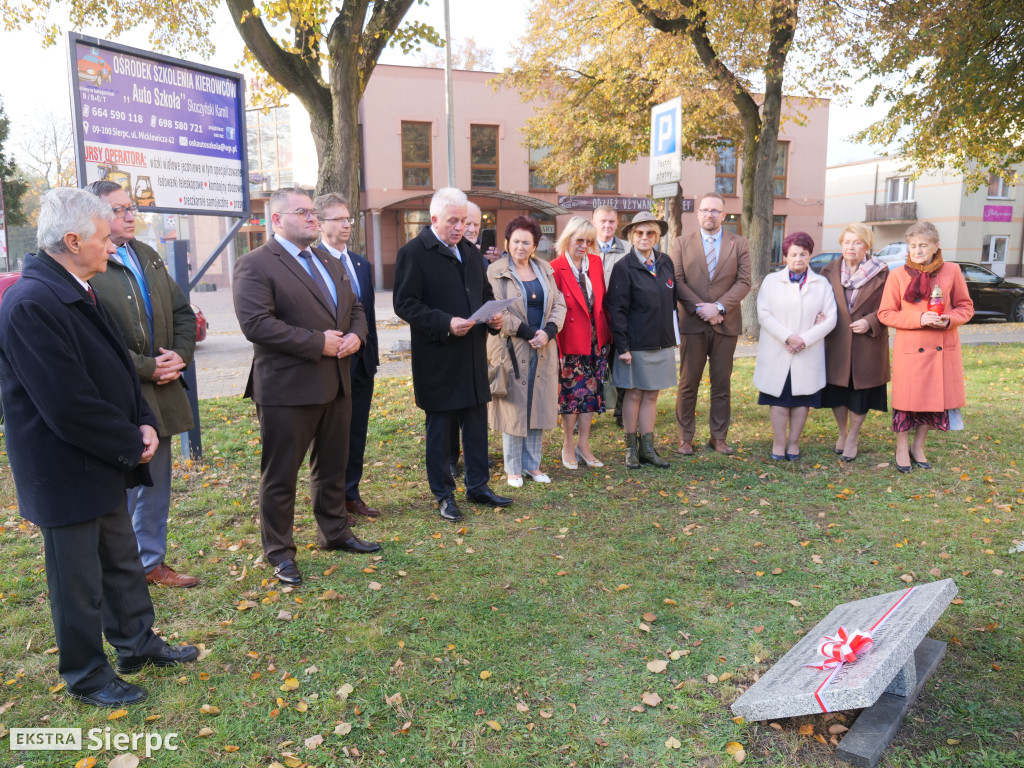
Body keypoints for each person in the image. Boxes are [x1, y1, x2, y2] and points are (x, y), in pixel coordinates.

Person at [0, 188, 198, 707]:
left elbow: (116, 369)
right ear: (71, 241)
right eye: (104, 238)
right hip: (65, 468)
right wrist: (131, 442)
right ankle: (87, 674)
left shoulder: (77, 287)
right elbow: (68, 403)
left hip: (104, 457)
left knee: (121, 560)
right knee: (77, 581)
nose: (112, 248)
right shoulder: (32, 303)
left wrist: (144, 421)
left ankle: (136, 644)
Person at [234, 187, 379, 588]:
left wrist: (356, 337)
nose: (313, 218)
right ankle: (279, 552)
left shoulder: (327, 261)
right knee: (280, 476)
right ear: (276, 220)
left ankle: (334, 532)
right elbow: (256, 325)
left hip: (336, 383)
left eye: (313, 212)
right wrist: (319, 343)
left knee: (332, 466)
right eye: (302, 212)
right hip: (287, 389)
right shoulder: (256, 264)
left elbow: (357, 309)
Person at [84, 181, 199, 588]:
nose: (131, 216)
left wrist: (179, 357)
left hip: (163, 391)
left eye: (132, 208)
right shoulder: (90, 267)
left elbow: (184, 312)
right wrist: (148, 367)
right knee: (122, 487)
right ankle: (119, 568)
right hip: (120, 394)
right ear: (92, 217)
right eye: (118, 210)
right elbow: (94, 341)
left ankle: (150, 562)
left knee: (156, 486)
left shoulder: (146, 255)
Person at [393, 187, 511, 522]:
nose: (461, 228)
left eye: (465, 221)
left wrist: (493, 319)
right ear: (434, 219)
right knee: (441, 431)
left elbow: (484, 295)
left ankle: (478, 486)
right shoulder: (414, 252)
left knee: (476, 426)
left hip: (472, 355)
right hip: (439, 358)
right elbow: (405, 304)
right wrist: (445, 323)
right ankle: (444, 494)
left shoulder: (470, 253)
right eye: (453, 221)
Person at [878, 221, 974, 473]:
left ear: (936, 246)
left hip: (942, 346)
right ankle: (901, 447)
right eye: (912, 246)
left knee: (933, 402)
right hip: (910, 349)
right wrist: (918, 319)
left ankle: (918, 446)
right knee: (906, 403)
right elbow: (886, 313)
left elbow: (966, 307)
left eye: (923, 245)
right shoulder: (898, 275)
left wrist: (949, 319)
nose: (917, 250)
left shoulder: (952, 271)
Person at [314, 193, 381, 519]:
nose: (346, 224)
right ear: (320, 223)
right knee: (330, 436)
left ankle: (351, 494)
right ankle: (331, 499)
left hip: (362, 363)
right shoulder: (310, 262)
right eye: (338, 219)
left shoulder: (360, 264)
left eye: (348, 218)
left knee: (357, 432)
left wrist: (371, 355)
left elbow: (366, 314)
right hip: (329, 364)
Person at [486, 216, 566, 486]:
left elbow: (559, 305)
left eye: (526, 242)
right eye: (515, 241)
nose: (520, 246)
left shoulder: (545, 269)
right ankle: (513, 468)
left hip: (543, 347)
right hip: (511, 346)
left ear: (534, 246)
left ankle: (533, 465)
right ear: (507, 242)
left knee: (537, 405)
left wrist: (548, 332)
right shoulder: (495, 271)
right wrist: (530, 333)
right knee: (514, 407)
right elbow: (497, 309)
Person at [670, 192, 751, 455]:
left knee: (721, 383)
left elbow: (744, 282)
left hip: (725, 323)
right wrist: (701, 308)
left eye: (715, 211)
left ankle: (718, 437)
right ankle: (685, 438)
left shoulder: (738, 243)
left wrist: (717, 307)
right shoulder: (681, 243)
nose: (709, 215)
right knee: (687, 382)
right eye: (704, 210)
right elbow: (677, 281)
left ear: (724, 215)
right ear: (697, 214)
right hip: (692, 323)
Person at [752, 232, 837, 460]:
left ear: (810, 255)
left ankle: (794, 443)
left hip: (806, 351)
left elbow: (831, 318)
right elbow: (763, 314)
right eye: (793, 254)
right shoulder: (772, 281)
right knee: (779, 399)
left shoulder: (822, 284)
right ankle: (779, 443)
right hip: (778, 348)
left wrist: (804, 340)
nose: (798, 258)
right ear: (785, 257)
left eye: (803, 254)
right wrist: (789, 337)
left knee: (802, 399)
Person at [606, 211, 676, 469]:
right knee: (633, 394)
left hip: (661, 342)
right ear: (632, 237)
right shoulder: (623, 267)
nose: (645, 237)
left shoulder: (666, 262)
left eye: (650, 233)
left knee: (652, 395)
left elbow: (671, 304)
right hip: (634, 345)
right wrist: (622, 347)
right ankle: (631, 449)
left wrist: (672, 338)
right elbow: (617, 310)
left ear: (657, 237)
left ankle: (648, 448)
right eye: (639, 233)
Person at [821, 223, 890, 462]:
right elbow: (820, 302)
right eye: (847, 242)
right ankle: (842, 432)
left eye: (857, 242)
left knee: (860, 393)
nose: (851, 247)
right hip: (837, 340)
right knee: (838, 390)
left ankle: (853, 437)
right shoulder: (828, 271)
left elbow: (890, 306)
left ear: (867, 246)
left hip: (867, 342)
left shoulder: (883, 272)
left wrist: (871, 322)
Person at [551, 216, 610, 469]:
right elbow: (552, 310)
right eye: (579, 240)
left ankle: (583, 445)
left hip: (596, 341)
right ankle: (567, 444)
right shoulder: (555, 267)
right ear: (568, 239)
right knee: (571, 398)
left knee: (591, 396)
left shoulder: (596, 263)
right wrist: (557, 347)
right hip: (570, 341)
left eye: (588, 241)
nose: (583, 245)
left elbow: (602, 301)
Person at [592, 205, 628, 425]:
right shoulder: (583, 247)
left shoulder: (628, 249)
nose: (607, 226)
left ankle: (622, 413)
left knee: (622, 365)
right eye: (603, 221)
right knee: (589, 367)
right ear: (594, 222)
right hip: (592, 319)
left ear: (617, 224)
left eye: (611, 222)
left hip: (619, 319)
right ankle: (585, 411)